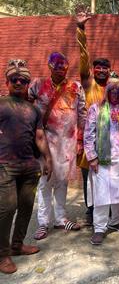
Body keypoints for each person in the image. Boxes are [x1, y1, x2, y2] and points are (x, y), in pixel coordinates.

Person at [0, 60, 52, 274]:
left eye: (24, 80)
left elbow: (40, 136)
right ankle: (2, 254)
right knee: (7, 208)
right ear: (7, 82)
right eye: (15, 79)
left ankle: (17, 244)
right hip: (5, 166)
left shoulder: (33, 109)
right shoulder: (1, 103)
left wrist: (48, 158)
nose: (19, 82)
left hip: (30, 166)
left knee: (26, 205)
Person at [29, 53, 86, 240]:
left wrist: (79, 140)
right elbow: (26, 107)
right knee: (45, 183)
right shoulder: (38, 85)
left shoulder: (76, 87)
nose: (60, 71)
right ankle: (43, 222)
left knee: (62, 182)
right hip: (45, 142)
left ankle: (60, 218)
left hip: (67, 144)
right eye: (57, 67)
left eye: (64, 67)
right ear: (50, 67)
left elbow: (82, 114)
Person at [84, 80, 119, 245]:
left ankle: (115, 221)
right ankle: (99, 227)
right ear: (107, 93)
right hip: (103, 160)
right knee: (102, 195)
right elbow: (89, 134)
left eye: (118, 92)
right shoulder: (96, 108)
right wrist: (91, 156)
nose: (115, 95)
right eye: (112, 91)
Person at [76, 9, 113, 225]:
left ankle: (107, 211)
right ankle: (90, 212)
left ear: (110, 71)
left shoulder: (114, 89)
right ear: (93, 70)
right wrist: (81, 29)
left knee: (106, 177)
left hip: (109, 142)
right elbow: (82, 58)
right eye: (97, 67)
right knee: (88, 178)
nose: (100, 70)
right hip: (89, 139)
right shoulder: (88, 85)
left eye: (104, 68)